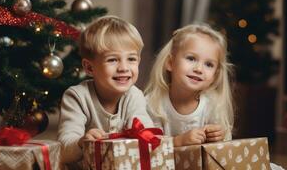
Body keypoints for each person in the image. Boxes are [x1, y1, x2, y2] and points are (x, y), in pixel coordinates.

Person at [57, 16, 154, 168]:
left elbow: (144, 129)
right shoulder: (77, 97)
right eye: (112, 60)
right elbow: (63, 149)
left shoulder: (134, 95)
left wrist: (142, 132)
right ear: (89, 68)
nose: (124, 67)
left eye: (131, 59)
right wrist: (82, 142)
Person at [145, 24, 235, 147]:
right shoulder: (153, 103)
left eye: (209, 64)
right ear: (171, 63)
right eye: (191, 58)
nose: (199, 69)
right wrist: (179, 141)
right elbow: (148, 147)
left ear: (214, 76)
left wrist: (219, 137)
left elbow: (222, 152)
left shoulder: (213, 105)